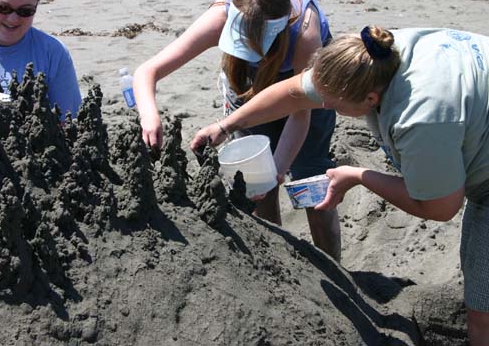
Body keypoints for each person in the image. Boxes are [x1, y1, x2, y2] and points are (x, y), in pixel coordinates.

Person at [190, 25, 489, 345]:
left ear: (370, 98)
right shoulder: (370, 57)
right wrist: (226, 125)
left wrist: (359, 176)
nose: (327, 107)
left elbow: (440, 207)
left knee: (482, 311)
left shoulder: (420, 118)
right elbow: (293, 94)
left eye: (332, 105)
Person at [133, 0, 341, 261]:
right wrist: (149, 116)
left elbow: (300, 115)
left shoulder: (305, 35)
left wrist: (278, 171)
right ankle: (277, 264)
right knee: (257, 184)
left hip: (307, 87)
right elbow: (147, 72)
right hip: (246, 83)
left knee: (312, 186)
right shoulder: (220, 15)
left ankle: (336, 269)